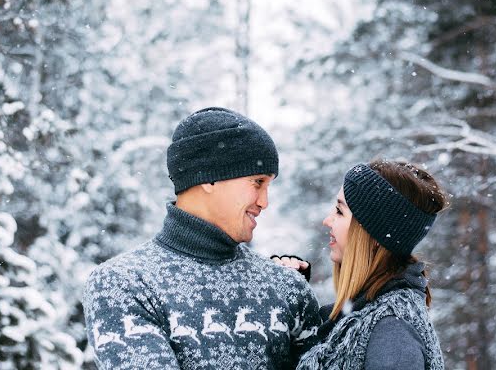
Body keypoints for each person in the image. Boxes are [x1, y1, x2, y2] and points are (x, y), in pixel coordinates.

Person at [83, 107, 320, 370]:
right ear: (210, 177)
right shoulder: (124, 284)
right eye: (257, 182)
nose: (265, 202)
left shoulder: (287, 287)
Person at [295, 159, 447, 370]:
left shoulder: (392, 333)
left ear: (374, 234)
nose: (327, 220)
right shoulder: (363, 318)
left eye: (340, 211)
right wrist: (290, 296)